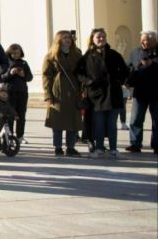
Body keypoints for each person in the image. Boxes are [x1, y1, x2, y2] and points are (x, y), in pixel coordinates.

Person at [76, 28, 128, 159]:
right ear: (92, 39)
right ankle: (99, 148)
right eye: (98, 37)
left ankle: (113, 149)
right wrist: (88, 82)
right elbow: (78, 73)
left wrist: (118, 80)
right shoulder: (87, 56)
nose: (101, 39)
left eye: (103, 36)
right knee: (98, 124)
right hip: (96, 96)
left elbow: (125, 70)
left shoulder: (114, 54)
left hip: (113, 94)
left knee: (112, 124)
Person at [42, 30, 83, 157]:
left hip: (74, 90)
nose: (68, 39)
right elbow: (46, 76)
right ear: (58, 40)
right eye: (65, 37)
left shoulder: (77, 54)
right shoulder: (51, 56)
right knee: (57, 122)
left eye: (69, 37)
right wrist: (48, 94)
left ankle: (70, 147)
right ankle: (58, 147)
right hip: (58, 92)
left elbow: (82, 71)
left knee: (73, 121)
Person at [126, 31, 158, 154]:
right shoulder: (135, 53)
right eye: (142, 40)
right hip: (140, 92)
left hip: (156, 92)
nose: (143, 42)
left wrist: (153, 65)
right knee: (135, 119)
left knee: (157, 120)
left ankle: (157, 145)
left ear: (155, 41)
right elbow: (129, 67)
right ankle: (135, 143)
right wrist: (127, 81)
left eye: (147, 40)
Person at [3, 44, 33, 144]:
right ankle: (10, 137)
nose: (15, 55)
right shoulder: (6, 62)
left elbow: (30, 77)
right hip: (9, 92)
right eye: (13, 53)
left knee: (21, 115)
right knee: (10, 116)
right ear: (9, 53)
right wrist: (10, 73)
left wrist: (23, 75)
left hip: (22, 92)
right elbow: (2, 77)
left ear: (20, 53)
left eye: (17, 53)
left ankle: (20, 136)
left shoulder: (24, 63)